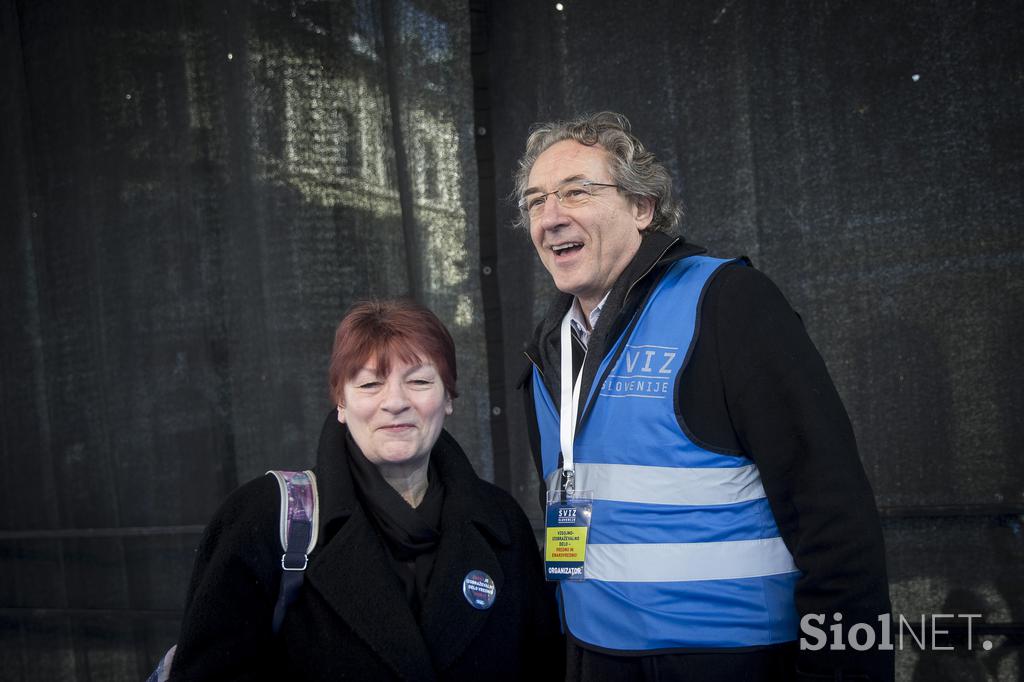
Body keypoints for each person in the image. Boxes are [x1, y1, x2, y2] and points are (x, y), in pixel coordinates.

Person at [515, 111, 893, 681]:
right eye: (535, 201)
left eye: (576, 192)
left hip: (734, 662)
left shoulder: (726, 304)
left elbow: (835, 516)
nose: (551, 217)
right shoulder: (548, 347)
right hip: (596, 658)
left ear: (641, 208)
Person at [170, 300, 563, 680]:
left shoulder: (503, 526)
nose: (395, 402)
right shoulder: (264, 521)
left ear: (448, 398)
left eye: (420, 381)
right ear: (341, 402)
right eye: (371, 383)